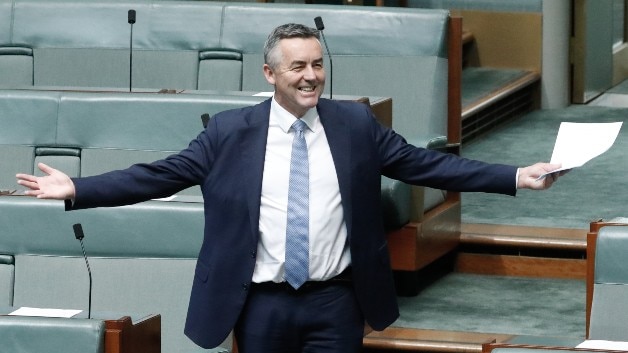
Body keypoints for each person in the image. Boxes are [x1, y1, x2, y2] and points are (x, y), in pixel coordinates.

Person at [16, 23, 564, 353]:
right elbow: (157, 176)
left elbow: (424, 165)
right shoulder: (230, 132)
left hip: (335, 300)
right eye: (298, 67)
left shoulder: (354, 124)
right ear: (270, 74)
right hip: (259, 305)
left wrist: (515, 175)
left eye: (318, 65)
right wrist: (76, 188)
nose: (310, 76)